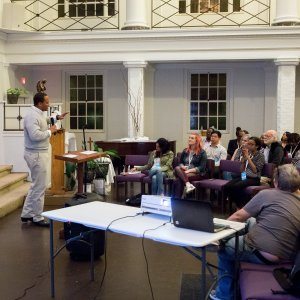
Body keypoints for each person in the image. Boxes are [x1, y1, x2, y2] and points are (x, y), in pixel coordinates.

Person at [210, 164, 300, 300]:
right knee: (251, 220)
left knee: (225, 249)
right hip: (288, 254)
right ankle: (235, 275)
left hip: (263, 253)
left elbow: (237, 216)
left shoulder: (267, 194)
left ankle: (224, 294)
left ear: (276, 182)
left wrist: (216, 234)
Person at [21, 92, 68, 227]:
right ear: (39, 103)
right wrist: (50, 131)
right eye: (47, 102)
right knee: (40, 186)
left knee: (36, 185)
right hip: (35, 155)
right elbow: (35, 135)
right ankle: (37, 217)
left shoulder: (38, 113)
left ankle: (27, 213)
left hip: (38, 154)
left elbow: (44, 121)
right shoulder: (31, 116)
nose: (49, 104)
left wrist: (56, 117)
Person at [223, 137, 265, 208]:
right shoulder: (249, 154)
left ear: (257, 146)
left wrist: (248, 157)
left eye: (251, 144)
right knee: (228, 186)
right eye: (248, 144)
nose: (248, 146)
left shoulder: (260, 155)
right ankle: (235, 205)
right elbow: (242, 170)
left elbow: (255, 170)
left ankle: (240, 206)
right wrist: (243, 161)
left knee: (237, 186)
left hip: (254, 178)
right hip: (244, 175)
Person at [173, 133, 207, 198]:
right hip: (184, 171)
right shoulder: (185, 151)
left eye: (192, 138)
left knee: (178, 178)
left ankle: (177, 199)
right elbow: (180, 163)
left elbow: (202, 167)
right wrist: (183, 166)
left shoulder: (202, 152)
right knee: (177, 168)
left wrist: (189, 171)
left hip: (196, 173)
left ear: (197, 141)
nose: (189, 139)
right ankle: (188, 184)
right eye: (189, 137)